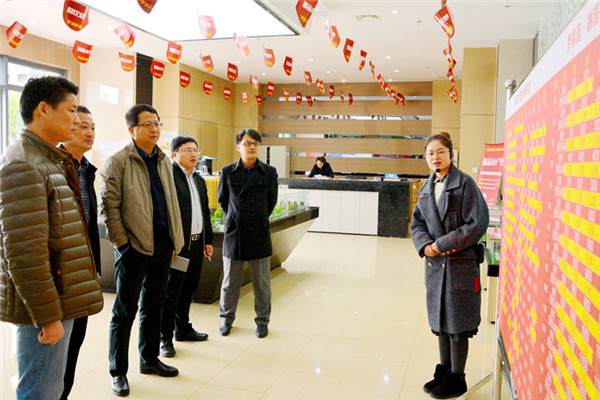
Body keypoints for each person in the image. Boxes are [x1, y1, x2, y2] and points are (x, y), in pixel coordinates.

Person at [0, 76, 103, 400]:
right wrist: (48, 316)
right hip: (46, 306)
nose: (76, 119)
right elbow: (25, 253)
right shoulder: (24, 164)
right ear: (43, 109)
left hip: (59, 297)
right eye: (71, 110)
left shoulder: (46, 159)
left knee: (52, 387)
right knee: (40, 391)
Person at [101, 104, 184, 397]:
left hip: (163, 247)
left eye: (157, 123)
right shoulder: (118, 162)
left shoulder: (163, 161)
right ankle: (118, 372)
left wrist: (175, 241)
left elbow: (171, 202)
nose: (154, 129)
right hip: (133, 249)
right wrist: (123, 245)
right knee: (124, 311)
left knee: (154, 306)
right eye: (147, 124)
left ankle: (149, 360)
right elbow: (109, 208)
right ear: (132, 129)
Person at [410, 134, 489, 399]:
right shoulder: (426, 188)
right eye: (431, 153)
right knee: (440, 320)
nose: (436, 157)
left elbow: (477, 224)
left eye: (441, 152)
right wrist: (425, 245)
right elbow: (417, 224)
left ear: (451, 154)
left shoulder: (465, 183)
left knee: (458, 324)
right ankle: (444, 372)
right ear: (426, 157)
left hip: (460, 265)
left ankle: (457, 378)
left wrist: (441, 245)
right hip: (435, 266)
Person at [217, 129, 278, 338]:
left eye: (255, 143)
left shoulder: (269, 172)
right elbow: (222, 200)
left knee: (262, 283)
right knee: (230, 282)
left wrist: (256, 217)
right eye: (247, 143)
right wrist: (234, 217)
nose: (252, 147)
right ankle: (226, 319)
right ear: (238, 147)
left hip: (259, 231)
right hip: (235, 232)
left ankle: (262, 321)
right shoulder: (227, 171)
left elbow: (271, 202)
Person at [59, 105, 102, 400]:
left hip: (83, 273)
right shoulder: (51, 165)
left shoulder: (86, 170)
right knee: (53, 354)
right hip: (59, 273)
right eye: (82, 126)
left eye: (93, 128)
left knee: (74, 345)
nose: (89, 133)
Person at [160, 135, 214, 358]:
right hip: (178, 247)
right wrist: (170, 244)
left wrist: (207, 240)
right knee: (172, 292)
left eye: (196, 150)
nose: (194, 154)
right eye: (187, 150)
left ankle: (183, 329)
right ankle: (165, 338)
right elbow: (164, 213)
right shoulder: (169, 177)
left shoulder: (199, 180)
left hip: (196, 243)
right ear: (174, 154)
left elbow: (204, 211)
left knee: (188, 289)